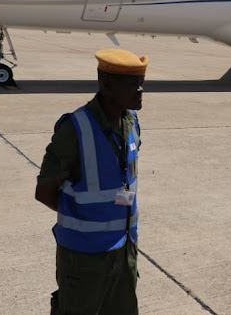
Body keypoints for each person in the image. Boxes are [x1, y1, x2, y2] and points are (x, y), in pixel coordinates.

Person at [35, 48, 148, 315]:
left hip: (124, 249)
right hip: (84, 257)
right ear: (106, 84)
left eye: (142, 83)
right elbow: (44, 191)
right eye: (133, 83)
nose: (141, 90)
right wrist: (85, 216)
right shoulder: (74, 129)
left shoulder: (131, 123)